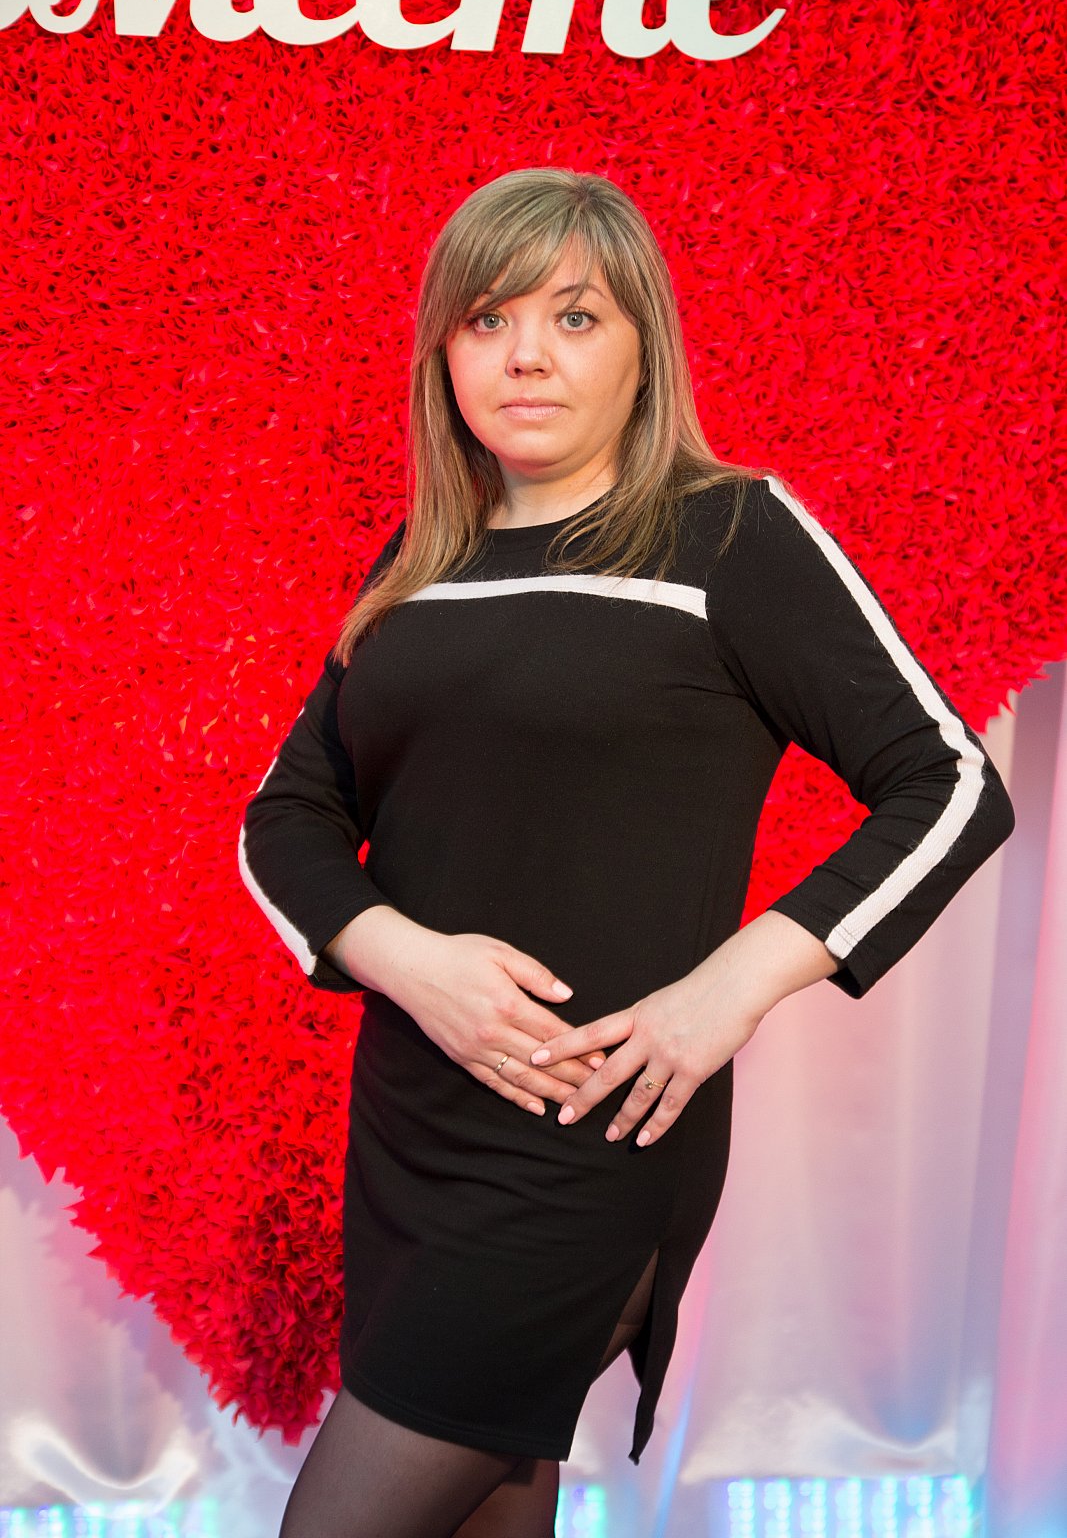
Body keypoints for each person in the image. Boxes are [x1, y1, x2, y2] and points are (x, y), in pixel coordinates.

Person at [237, 167, 1016, 1538]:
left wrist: (734, 987)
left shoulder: (729, 532)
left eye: (576, 316)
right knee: (491, 1505)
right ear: (444, 355)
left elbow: (949, 783)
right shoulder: (421, 560)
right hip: (411, 1136)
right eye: (487, 320)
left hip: (591, 1141)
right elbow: (286, 815)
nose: (526, 355)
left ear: (643, 346)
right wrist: (406, 960)